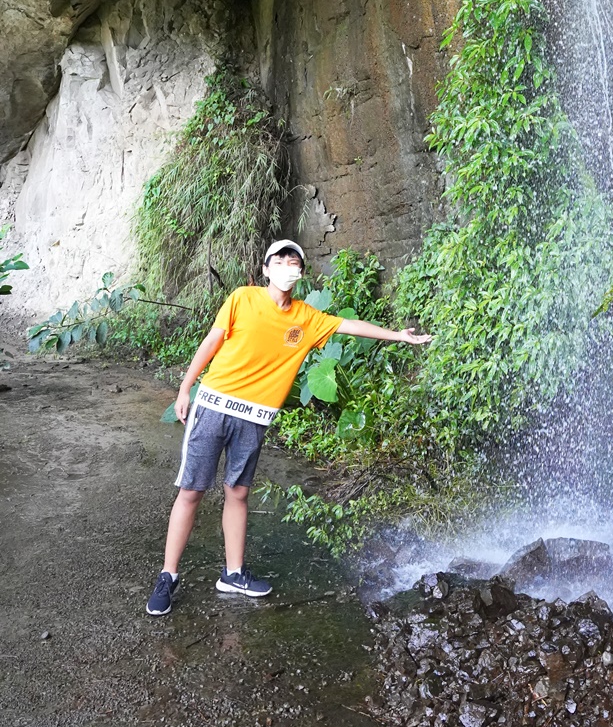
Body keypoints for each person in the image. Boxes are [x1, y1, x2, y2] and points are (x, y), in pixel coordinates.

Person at [146, 238, 431, 616]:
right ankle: (168, 575)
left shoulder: (306, 318)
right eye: (279, 260)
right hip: (213, 407)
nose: (287, 265)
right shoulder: (242, 299)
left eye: (293, 260)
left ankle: (233, 574)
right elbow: (211, 343)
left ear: (299, 271)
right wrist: (185, 388)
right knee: (192, 491)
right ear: (266, 269)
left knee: (238, 492)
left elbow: (349, 325)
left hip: (254, 418)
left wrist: (399, 335)